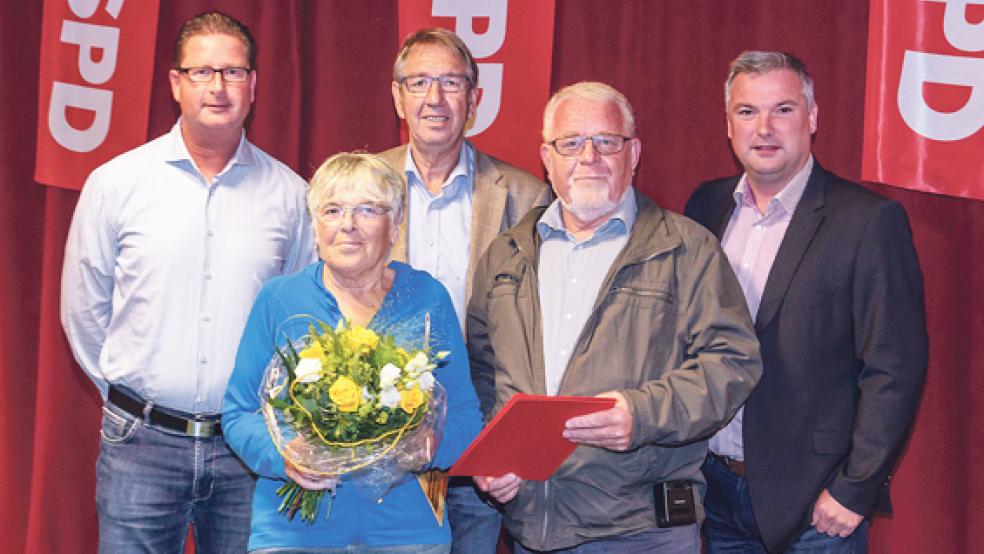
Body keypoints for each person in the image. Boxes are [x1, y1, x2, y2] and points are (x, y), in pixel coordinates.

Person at [467, 81, 762, 553]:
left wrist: (643, 414)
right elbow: (482, 372)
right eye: (571, 142)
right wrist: (494, 453)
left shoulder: (687, 249)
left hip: (640, 529)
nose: (589, 156)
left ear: (633, 152)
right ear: (547, 156)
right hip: (531, 525)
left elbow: (733, 362)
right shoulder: (506, 255)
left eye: (607, 141)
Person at [59, 11, 316, 552]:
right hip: (140, 447)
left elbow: (298, 322)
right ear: (175, 83)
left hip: (250, 451)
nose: (217, 87)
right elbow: (84, 311)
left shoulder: (291, 195)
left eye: (233, 72)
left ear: (254, 85)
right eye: (201, 72)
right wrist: (134, 397)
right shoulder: (116, 185)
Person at [684, 51, 928, 553]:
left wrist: (854, 489)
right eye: (748, 112)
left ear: (812, 118)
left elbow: (894, 367)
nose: (765, 128)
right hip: (716, 492)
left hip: (817, 508)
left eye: (784, 110)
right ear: (728, 125)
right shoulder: (704, 206)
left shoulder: (867, 222)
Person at [222, 152, 484, 552]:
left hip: (406, 533)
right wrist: (284, 456)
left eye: (367, 209)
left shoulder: (427, 298)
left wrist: (430, 446)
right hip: (294, 534)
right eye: (332, 210)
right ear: (314, 226)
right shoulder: (280, 299)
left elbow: (465, 413)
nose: (348, 225)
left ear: (395, 224)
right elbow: (239, 413)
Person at [380, 28, 550, 552]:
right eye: (420, 82)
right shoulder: (363, 183)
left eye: (451, 83)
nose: (435, 99)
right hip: (379, 438)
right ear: (397, 95)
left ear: (475, 100)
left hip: (480, 431)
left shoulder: (527, 195)